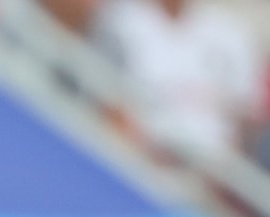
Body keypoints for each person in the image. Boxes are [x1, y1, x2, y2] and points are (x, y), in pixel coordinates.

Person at [97, 0, 262, 162]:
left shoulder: (233, 34)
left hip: (212, 176)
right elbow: (108, 102)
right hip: (135, 164)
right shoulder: (119, 20)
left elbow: (245, 123)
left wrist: (219, 174)